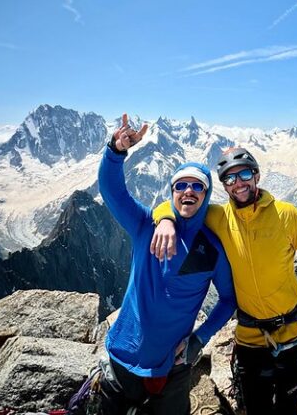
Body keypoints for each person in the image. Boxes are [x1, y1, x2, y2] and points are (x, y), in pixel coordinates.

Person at [151, 147, 297, 415]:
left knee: (287, 409)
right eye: (229, 179)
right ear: (224, 186)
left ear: (256, 176)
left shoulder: (286, 215)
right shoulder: (219, 218)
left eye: (243, 174)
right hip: (250, 339)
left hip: (294, 335)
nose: (238, 183)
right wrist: (165, 220)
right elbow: (179, 203)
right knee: (257, 410)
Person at [85, 114, 236, 415]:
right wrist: (116, 152)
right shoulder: (146, 226)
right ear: (172, 193)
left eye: (197, 186)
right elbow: (112, 192)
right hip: (122, 359)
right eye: (180, 186)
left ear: (206, 196)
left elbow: (229, 299)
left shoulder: (212, 249)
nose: (188, 191)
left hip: (173, 368)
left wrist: (200, 338)